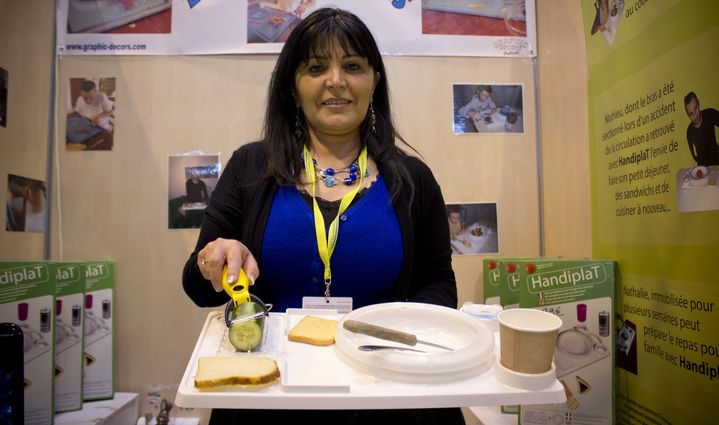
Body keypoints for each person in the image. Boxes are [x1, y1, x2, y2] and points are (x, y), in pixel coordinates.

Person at [182, 7, 462, 425]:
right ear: (293, 87)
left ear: (374, 81)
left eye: (352, 66)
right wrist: (214, 259)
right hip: (271, 401)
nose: (336, 80)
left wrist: (397, 345)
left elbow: (438, 282)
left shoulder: (413, 179)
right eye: (316, 67)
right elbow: (198, 286)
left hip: (385, 399)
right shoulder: (249, 167)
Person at [684, 91, 719, 166]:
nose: (695, 116)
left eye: (695, 108)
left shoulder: (710, 113)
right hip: (702, 168)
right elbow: (694, 156)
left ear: (698, 103)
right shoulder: (689, 131)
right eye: (691, 114)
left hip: (717, 160)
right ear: (687, 115)